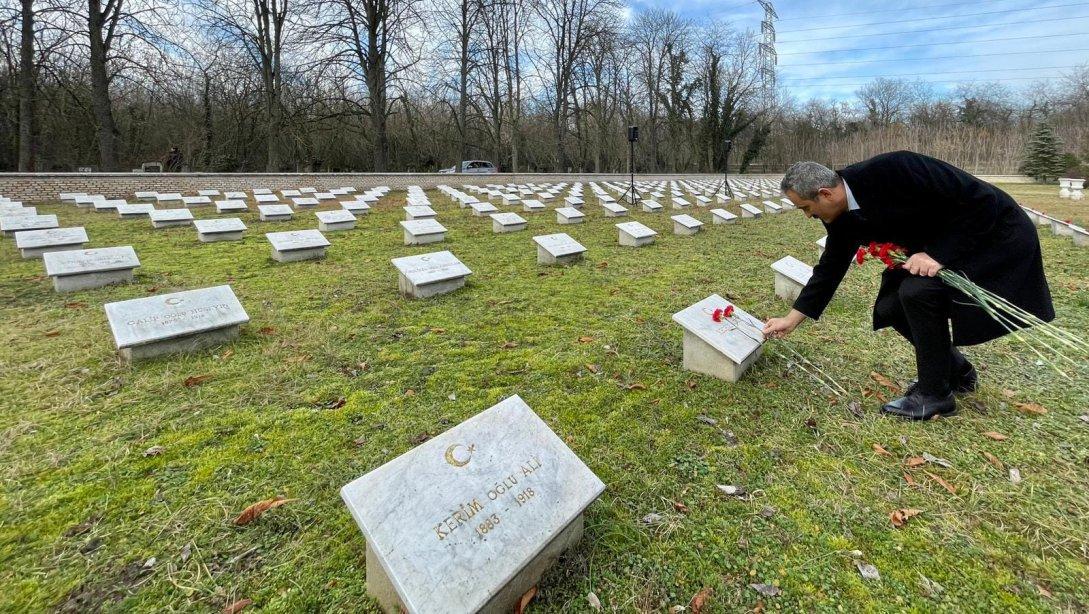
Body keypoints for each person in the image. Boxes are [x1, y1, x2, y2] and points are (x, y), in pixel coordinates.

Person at [763, 151, 1054, 420]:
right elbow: (831, 265)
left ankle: (935, 395)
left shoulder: (897, 169)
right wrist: (793, 318)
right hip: (938, 248)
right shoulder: (840, 216)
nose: (808, 216)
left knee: (916, 292)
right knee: (891, 304)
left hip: (992, 235)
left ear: (825, 193)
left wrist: (938, 254)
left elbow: (983, 201)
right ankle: (957, 373)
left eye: (806, 208)